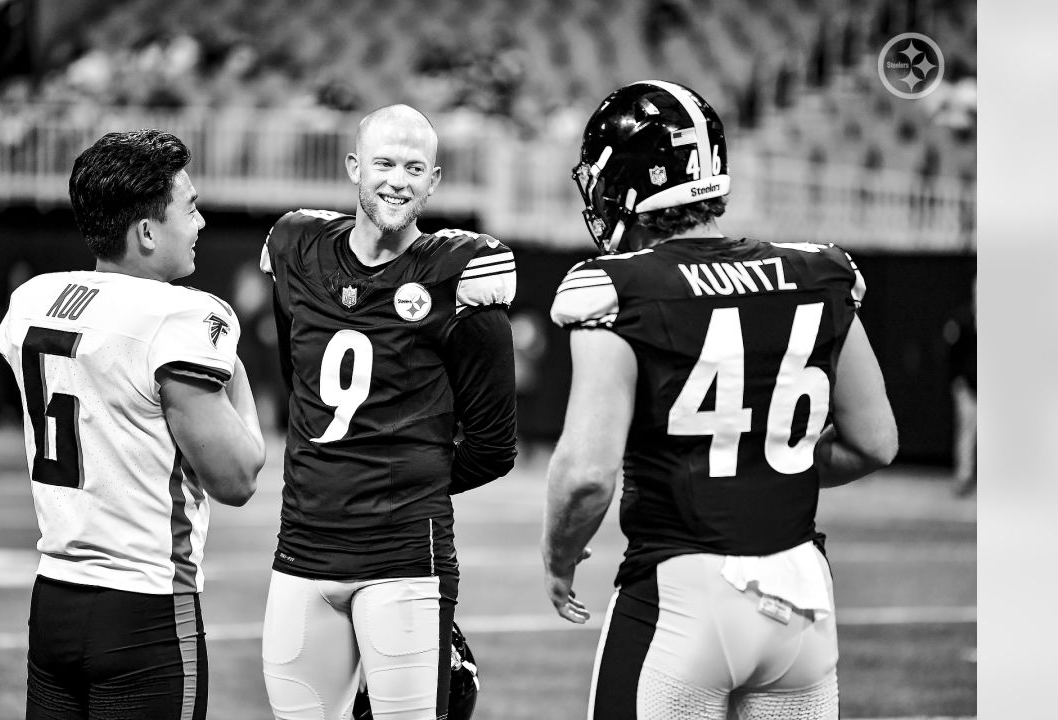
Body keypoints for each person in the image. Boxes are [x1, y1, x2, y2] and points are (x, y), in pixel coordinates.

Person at [541, 81, 898, 720]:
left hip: (683, 595)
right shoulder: (820, 272)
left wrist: (559, 555)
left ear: (622, 181)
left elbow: (587, 476)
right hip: (803, 604)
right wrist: (759, 468)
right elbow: (876, 441)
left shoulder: (619, 286)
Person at [0, 129, 266, 720]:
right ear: (145, 232)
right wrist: (236, 373)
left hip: (54, 601)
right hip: (146, 612)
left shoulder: (34, 299)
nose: (201, 223)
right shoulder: (180, 316)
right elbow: (238, 478)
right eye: (189, 208)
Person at [259, 104, 517, 720]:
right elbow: (296, 383)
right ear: (354, 167)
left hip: (404, 555)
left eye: (413, 167)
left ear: (434, 181)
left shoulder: (458, 270)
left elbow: (493, 446)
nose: (397, 179)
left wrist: (402, 480)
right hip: (302, 549)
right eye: (383, 163)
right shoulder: (298, 247)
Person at [943, 276, 976, 496]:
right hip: (968, 386)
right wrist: (956, 379)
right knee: (966, 431)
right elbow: (952, 353)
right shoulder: (962, 317)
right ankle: (964, 478)